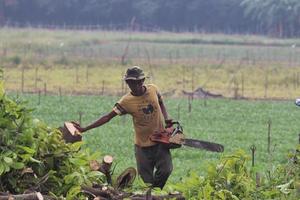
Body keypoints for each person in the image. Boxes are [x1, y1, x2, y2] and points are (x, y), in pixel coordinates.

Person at [73, 66, 173, 189]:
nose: (134, 85)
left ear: (142, 81)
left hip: (160, 142)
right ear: (127, 83)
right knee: (146, 183)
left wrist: (167, 120)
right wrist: (85, 128)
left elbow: (161, 102)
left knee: (166, 170)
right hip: (142, 147)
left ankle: (156, 192)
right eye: (130, 82)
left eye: (136, 82)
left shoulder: (153, 89)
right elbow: (107, 117)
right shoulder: (126, 102)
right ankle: (151, 194)